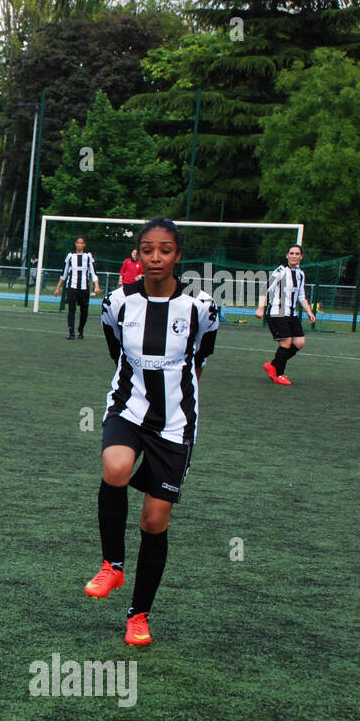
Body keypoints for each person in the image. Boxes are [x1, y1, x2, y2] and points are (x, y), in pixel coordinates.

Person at [83, 217, 219, 646]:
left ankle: (138, 615)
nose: (155, 257)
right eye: (147, 249)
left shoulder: (202, 306)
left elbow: (200, 358)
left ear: (178, 255)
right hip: (128, 407)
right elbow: (116, 352)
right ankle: (112, 566)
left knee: (154, 521)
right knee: (115, 466)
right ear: (137, 255)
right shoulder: (117, 301)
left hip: (175, 423)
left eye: (164, 249)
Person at [256, 244, 316, 386]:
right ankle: (279, 375)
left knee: (300, 342)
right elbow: (265, 288)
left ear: (301, 256)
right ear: (287, 255)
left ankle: (273, 364)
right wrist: (260, 308)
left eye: (297, 254)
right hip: (277, 312)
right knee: (286, 342)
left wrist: (309, 311)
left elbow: (301, 295)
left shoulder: (300, 274)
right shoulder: (280, 271)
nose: (294, 256)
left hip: (291, 314)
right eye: (291, 253)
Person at [54, 236, 100, 340]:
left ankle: (81, 329)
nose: (79, 244)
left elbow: (93, 272)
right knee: (71, 310)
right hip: (72, 287)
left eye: (81, 243)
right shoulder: (70, 257)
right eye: (77, 242)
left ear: (84, 245)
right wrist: (58, 288)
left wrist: (97, 286)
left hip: (84, 288)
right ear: (75, 244)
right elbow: (64, 274)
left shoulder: (88, 257)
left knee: (84, 311)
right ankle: (71, 332)